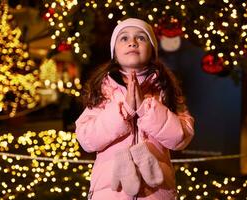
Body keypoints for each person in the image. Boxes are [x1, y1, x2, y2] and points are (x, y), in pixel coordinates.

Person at [75, 18, 194, 200]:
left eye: (141, 37)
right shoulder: (103, 91)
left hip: (156, 193)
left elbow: (181, 137)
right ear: (114, 52)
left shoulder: (165, 90)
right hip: (110, 194)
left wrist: (146, 109)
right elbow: (87, 139)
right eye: (124, 38)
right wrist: (125, 109)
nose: (132, 42)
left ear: (153, 50)